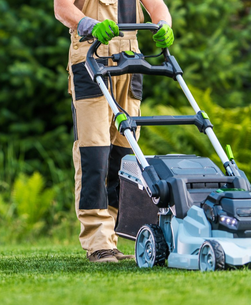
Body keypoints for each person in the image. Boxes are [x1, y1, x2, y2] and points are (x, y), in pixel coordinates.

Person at [54, 0, 174, 263]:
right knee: (94, 152)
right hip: (90, 56)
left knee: (125, 155)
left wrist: (164, 24)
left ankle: (113, 238)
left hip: (129, 61)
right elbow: (61, 8)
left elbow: (158, 7)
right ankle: (98, 241)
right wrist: (89, 25)